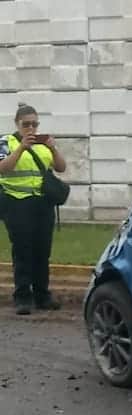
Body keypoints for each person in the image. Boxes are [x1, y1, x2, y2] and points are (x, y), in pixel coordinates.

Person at [0, 102, 67, 315]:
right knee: (22, 251)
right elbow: (3, 168)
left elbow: (61, 167)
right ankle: (22, 297)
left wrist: (53, 147)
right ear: (17, 124)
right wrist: (21, 148)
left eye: (34, 124)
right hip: (17, 202)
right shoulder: (6, 142)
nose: (31, 129)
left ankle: (42, 295)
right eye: (26, 124)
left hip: (42, 204)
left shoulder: (43, 143)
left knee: (41, 251)